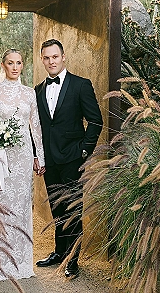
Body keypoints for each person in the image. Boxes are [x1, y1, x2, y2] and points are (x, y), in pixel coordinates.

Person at [0, 49, 46, 281]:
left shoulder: (29, 94)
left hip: (23, 155)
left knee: (22, 206)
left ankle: (20, 261)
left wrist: (39, 157)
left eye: (19, 63)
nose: (15, 67)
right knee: (1, 205)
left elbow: (35, 127)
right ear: (3, 65)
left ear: (22, 66)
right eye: (11, 63)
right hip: (2, 158)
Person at [34, 39, 103, 279]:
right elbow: (37, 128)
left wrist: (84, 151)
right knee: (57, 209)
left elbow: (96, 120)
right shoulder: (38, 90)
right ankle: (60, 251)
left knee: (73, 210)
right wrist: (37, 155)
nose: (51, 61)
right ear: (42, 60)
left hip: (74, 159)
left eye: (55, 57)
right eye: (46, 58)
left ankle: (73, 259)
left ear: (63, 57)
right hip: (50, 161)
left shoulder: (81, 85)